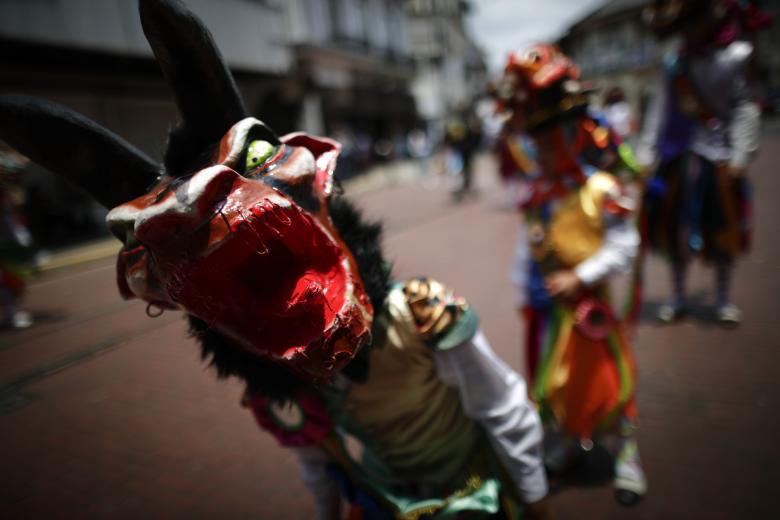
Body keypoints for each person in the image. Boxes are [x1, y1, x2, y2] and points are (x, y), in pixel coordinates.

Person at [0, 1, 551, 518]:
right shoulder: (284, 379)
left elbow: (503, 407)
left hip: (475, 491)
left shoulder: (426, 314)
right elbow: (318, 460)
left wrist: (532, 501)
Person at [500, 44, 646, 506]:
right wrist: (526, 287)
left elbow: (626, 245)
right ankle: (564, 442)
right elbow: (529, 249)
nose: (539, 149)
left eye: (548, 139)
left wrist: (581, 276)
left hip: (588, 308)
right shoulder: (537, 197)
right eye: (535, 141)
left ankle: (626, 456)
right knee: (549, 383)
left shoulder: (601, 189)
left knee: (608, 382)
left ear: (572, 135)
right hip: (546, 309)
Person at [637, 0, 771, 325]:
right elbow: (658, 112)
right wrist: (645, 156)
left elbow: (744, 107)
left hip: (720, 158)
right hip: (678, 157)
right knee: (674, 231)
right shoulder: (675, 64)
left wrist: (739, 155)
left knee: (724, 229)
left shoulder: (736, 56)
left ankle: (723, 299)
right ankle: (678, 296)